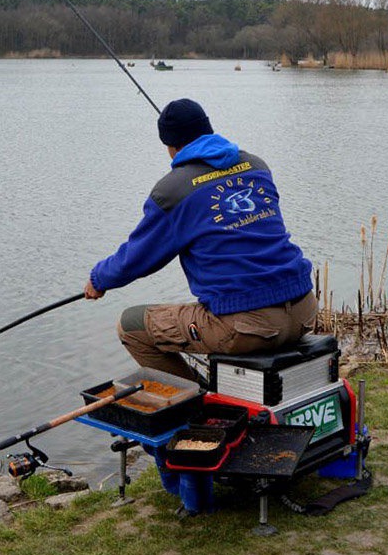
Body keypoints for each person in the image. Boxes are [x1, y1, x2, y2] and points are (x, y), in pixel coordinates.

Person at [84, 98, 316, 382]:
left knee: (131, 326)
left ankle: (199, 408)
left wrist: (99, 280)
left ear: (170, 146)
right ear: (208, 129)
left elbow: (136, 258)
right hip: (305, 309)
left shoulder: (173, 191)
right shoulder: (256, 166)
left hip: (248, 326)